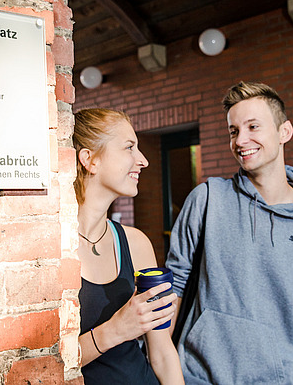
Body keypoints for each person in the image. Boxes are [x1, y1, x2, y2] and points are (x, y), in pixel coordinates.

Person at [166, 82, 293, 384]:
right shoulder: (208, 199)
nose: (241, 140)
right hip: (197, 377)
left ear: (284, 132)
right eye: (234, 131)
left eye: (253, 127)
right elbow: (174, 286)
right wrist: (161, 371)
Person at [75, 108, 184, 385]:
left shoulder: (136, 243)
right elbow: (43, 362)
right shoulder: (50, 252)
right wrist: (115, 330)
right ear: (90, 160)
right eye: (129, 148)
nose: (143, 160)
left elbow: (161, 352)